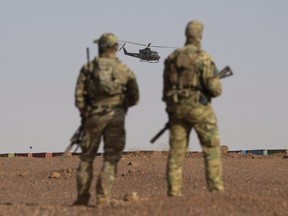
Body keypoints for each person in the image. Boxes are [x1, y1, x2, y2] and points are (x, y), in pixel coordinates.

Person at [73, 33, 139, 206]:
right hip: (115, 117)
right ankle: (103, 198)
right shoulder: (124, 70)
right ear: (115, 48)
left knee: (87, 158)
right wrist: (121, 107)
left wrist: (85, 112)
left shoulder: (89, 68)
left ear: (100, 47)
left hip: (93, 116)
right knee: (110, 158)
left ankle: (82, 198)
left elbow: (79, 96)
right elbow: (135, 96)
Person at [162, 20, 224, 196]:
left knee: (176, 152)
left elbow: (166, 89)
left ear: (186, 34)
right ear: (200, 35)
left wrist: (171, 109)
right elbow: (215, 89)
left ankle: (174, 193)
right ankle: (216, 192)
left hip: (177, 109)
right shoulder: (203, 57)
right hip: (199, 109)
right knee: (211, 148)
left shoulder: (172, 58)